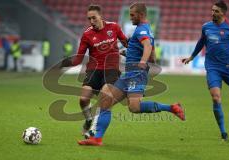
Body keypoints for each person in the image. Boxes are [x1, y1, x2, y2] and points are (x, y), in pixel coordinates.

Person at [78, 2, 185, 146]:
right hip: (128, 74)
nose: (131, 18)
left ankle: (171, 108)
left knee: (134, 107)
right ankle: (97, 139)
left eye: (133, 15)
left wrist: (142, 62)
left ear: (141, 15)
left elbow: (147, 46)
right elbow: (149, 50)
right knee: (106, 101)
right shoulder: (144, 29)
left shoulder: (142, 30)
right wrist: (128, 53)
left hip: (136, 74)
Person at [63, 5, 128, 138]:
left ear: (100, 16)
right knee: (83, 99)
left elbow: (126, 43)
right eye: (89, 19)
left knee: (103, 98)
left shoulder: (114, 27)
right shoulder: (87, 34)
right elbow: (79, 57)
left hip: (111, 69)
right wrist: (65, 63)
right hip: (94, 69)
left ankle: (93, 131)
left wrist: (133, 51)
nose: (92, 21)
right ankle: (88, 120)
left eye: (94, 18)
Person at [182, 0, 229, 140]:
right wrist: (192, 57)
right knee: (216, 97)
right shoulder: (206, 27)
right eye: (212, 10)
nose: (213, 13)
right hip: (213, 68)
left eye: (216, 11)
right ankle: (223, 133)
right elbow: (201, 42)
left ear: (223, 13)